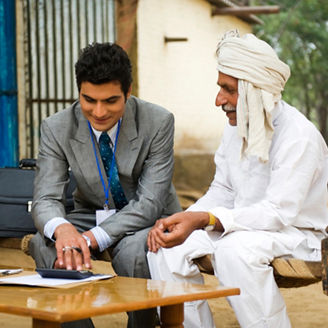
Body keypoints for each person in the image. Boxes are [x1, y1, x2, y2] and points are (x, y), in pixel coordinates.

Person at [147, 30, 328, 328]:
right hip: (241, 228)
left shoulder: (299, 136)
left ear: (255, 90)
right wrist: (185, 218)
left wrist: (206, 219)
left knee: (234, 251)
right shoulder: (236, 126)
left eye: (228, 89)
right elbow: (223, 189)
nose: (219, 99)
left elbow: (278, 213)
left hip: (298, 235)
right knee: (165, 248)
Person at [29, 42, 181, 328]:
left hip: (147, 218)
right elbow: (45, 199)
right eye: (89, 100)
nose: (98, 112)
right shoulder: (55, 127)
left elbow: (149, 203)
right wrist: (63, 230)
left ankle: (143, 325)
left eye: (111, 101)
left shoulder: (159, 122)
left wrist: (86, 239)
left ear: (128, 91)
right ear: (79, 93)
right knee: (45, 244)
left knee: (136, 250)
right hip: (91, 212)